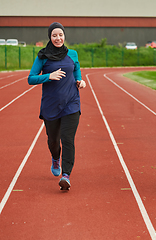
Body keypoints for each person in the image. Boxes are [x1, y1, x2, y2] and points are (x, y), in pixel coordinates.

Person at [28, 22, 86, 190]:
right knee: (54, 141)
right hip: (51, 105)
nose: (58, 38)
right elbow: (31, 78)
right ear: (50, 37)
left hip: (71, 103)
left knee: (68, 139)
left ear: (64, 36)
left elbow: (76, 70)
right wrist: (49, 76)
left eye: (60, 35)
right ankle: (55, 158)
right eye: (54, 35)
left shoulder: (72, 54)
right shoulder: (42, 57)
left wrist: (80, 81)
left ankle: (66, 176)